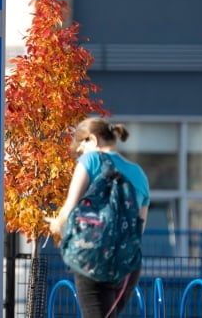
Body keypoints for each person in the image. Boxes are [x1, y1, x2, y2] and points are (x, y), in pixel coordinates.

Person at [45, 117, 150, 318]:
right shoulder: (139, 174)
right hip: (126, 266)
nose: (78, 150)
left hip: (92, 259)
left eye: (81, 143)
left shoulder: (90, 160)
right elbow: (139, 229)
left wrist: (56, 224)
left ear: (93, 140)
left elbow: (68, 209)